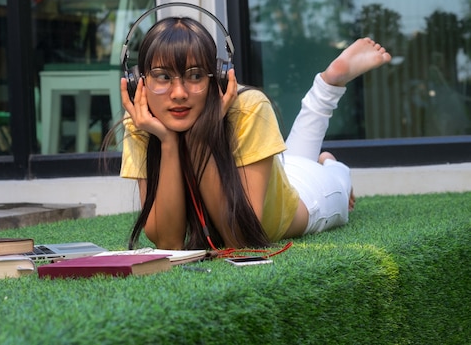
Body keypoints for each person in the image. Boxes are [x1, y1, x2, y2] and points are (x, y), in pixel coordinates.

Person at [118, 16, 391, 250]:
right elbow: (169, 242)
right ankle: (327, 87)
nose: (179, 94)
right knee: (292, 161)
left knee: (336, 183)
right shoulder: (143, 124)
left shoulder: (248, 107)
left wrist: (200, 138)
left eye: (195, 76)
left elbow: (241, 238)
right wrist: (167, 142)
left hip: (313, 195)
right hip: (277, 176)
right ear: (138, 84)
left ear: (219, 78)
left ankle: (330, 155)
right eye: (163, 77)